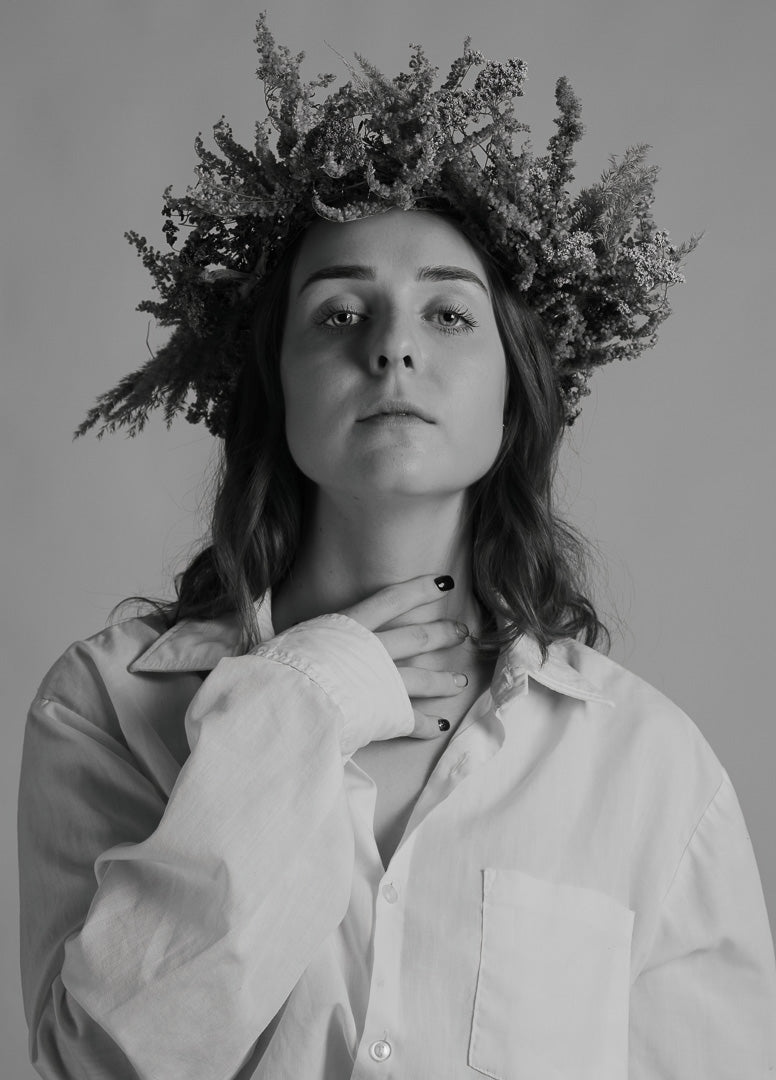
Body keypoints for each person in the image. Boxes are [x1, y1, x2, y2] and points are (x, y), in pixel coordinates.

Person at [18, 19, 776, 1080]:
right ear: (274, 382)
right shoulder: (108, 705)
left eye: (449, 314)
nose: (393, 343)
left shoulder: (646, 770)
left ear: (516, 389)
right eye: (338, 311)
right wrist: (298, 708)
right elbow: (97, 1062)